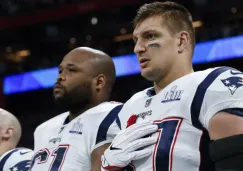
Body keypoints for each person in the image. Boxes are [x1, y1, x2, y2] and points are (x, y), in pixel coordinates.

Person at [101, 1, 243, 171]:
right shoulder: (129, 107)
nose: (138, 48)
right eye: (136, 40)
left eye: (150, 36)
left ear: (181, 41)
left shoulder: (214, 83)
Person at [30, 47, 152, 171]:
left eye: (71, 70)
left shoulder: (114, 114)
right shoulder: (43, 129)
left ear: (99, 82)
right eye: (60, 71)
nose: (60, 77)